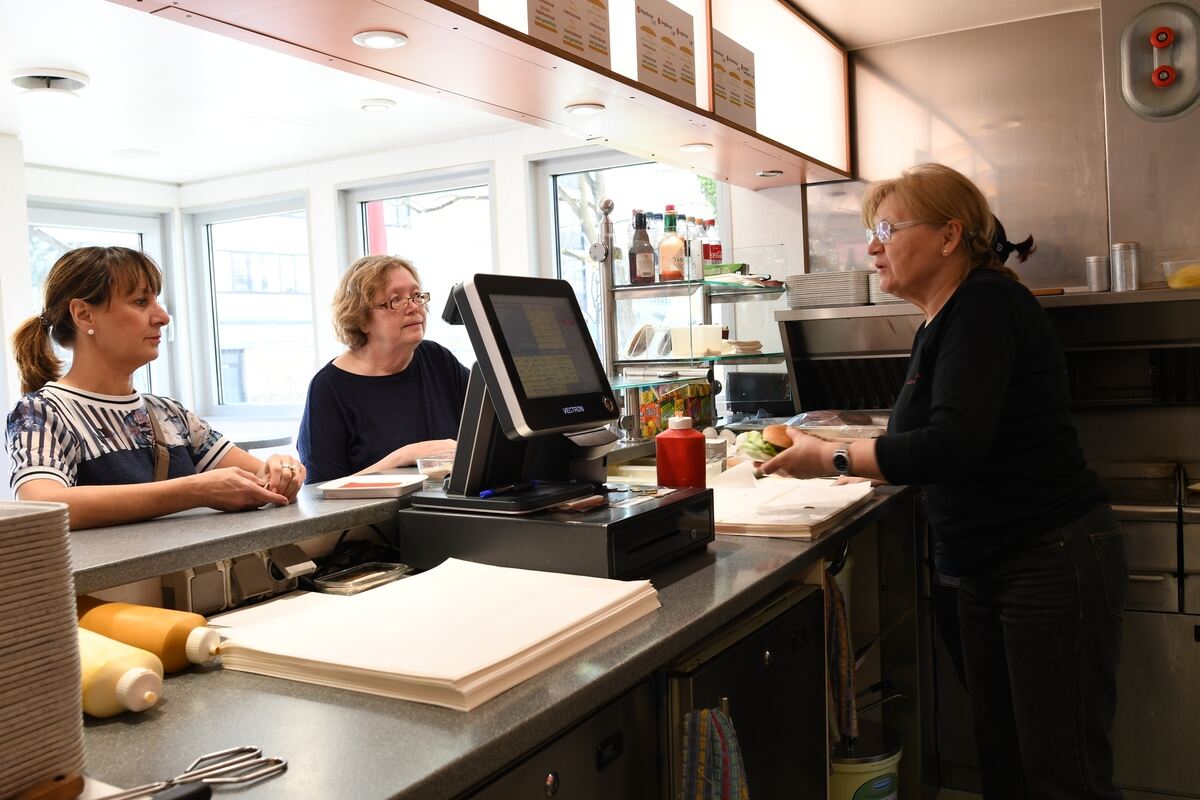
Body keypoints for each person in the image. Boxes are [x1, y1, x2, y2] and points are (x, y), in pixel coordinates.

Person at [761, 163, 1127, 798]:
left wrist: (832, 458)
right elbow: (928, 437)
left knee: (1061, 775)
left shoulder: (985, 304)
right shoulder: (941, 318)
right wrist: (845, 453)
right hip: (987, 566)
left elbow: (952, 444)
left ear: (949, 235)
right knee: (1005, 762)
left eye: (886, 229)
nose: (871, 248)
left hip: (1044, 558)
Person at [7, 246, 304, 530]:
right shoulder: (41, 413)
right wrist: (195, 490)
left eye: (156, 301)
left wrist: (281, 471)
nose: (162, 317)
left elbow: (259, 476)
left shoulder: (170, 413)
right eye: (140, 302)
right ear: (84, 315)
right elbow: (42, 504)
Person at [297, 255, 469, 483]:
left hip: (445, 501)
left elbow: (488, 428)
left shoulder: (437, 359)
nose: (414, 307)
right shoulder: (329, 388)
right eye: (395, 300)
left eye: (417, 296)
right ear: (362, 319)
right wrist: (403, 456)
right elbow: (319, 492)